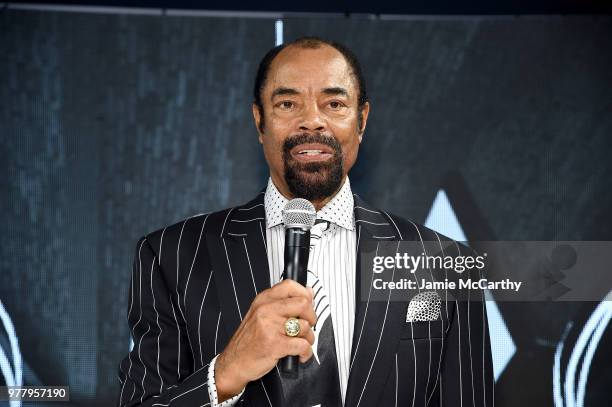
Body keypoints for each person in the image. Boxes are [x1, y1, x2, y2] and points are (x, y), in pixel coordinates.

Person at [117, 36, 494, 407]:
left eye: (333, 103)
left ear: (361, 120)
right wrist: (227, 373)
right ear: (259, 120)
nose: (312, 121)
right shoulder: (170, 256)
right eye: (287, 103)